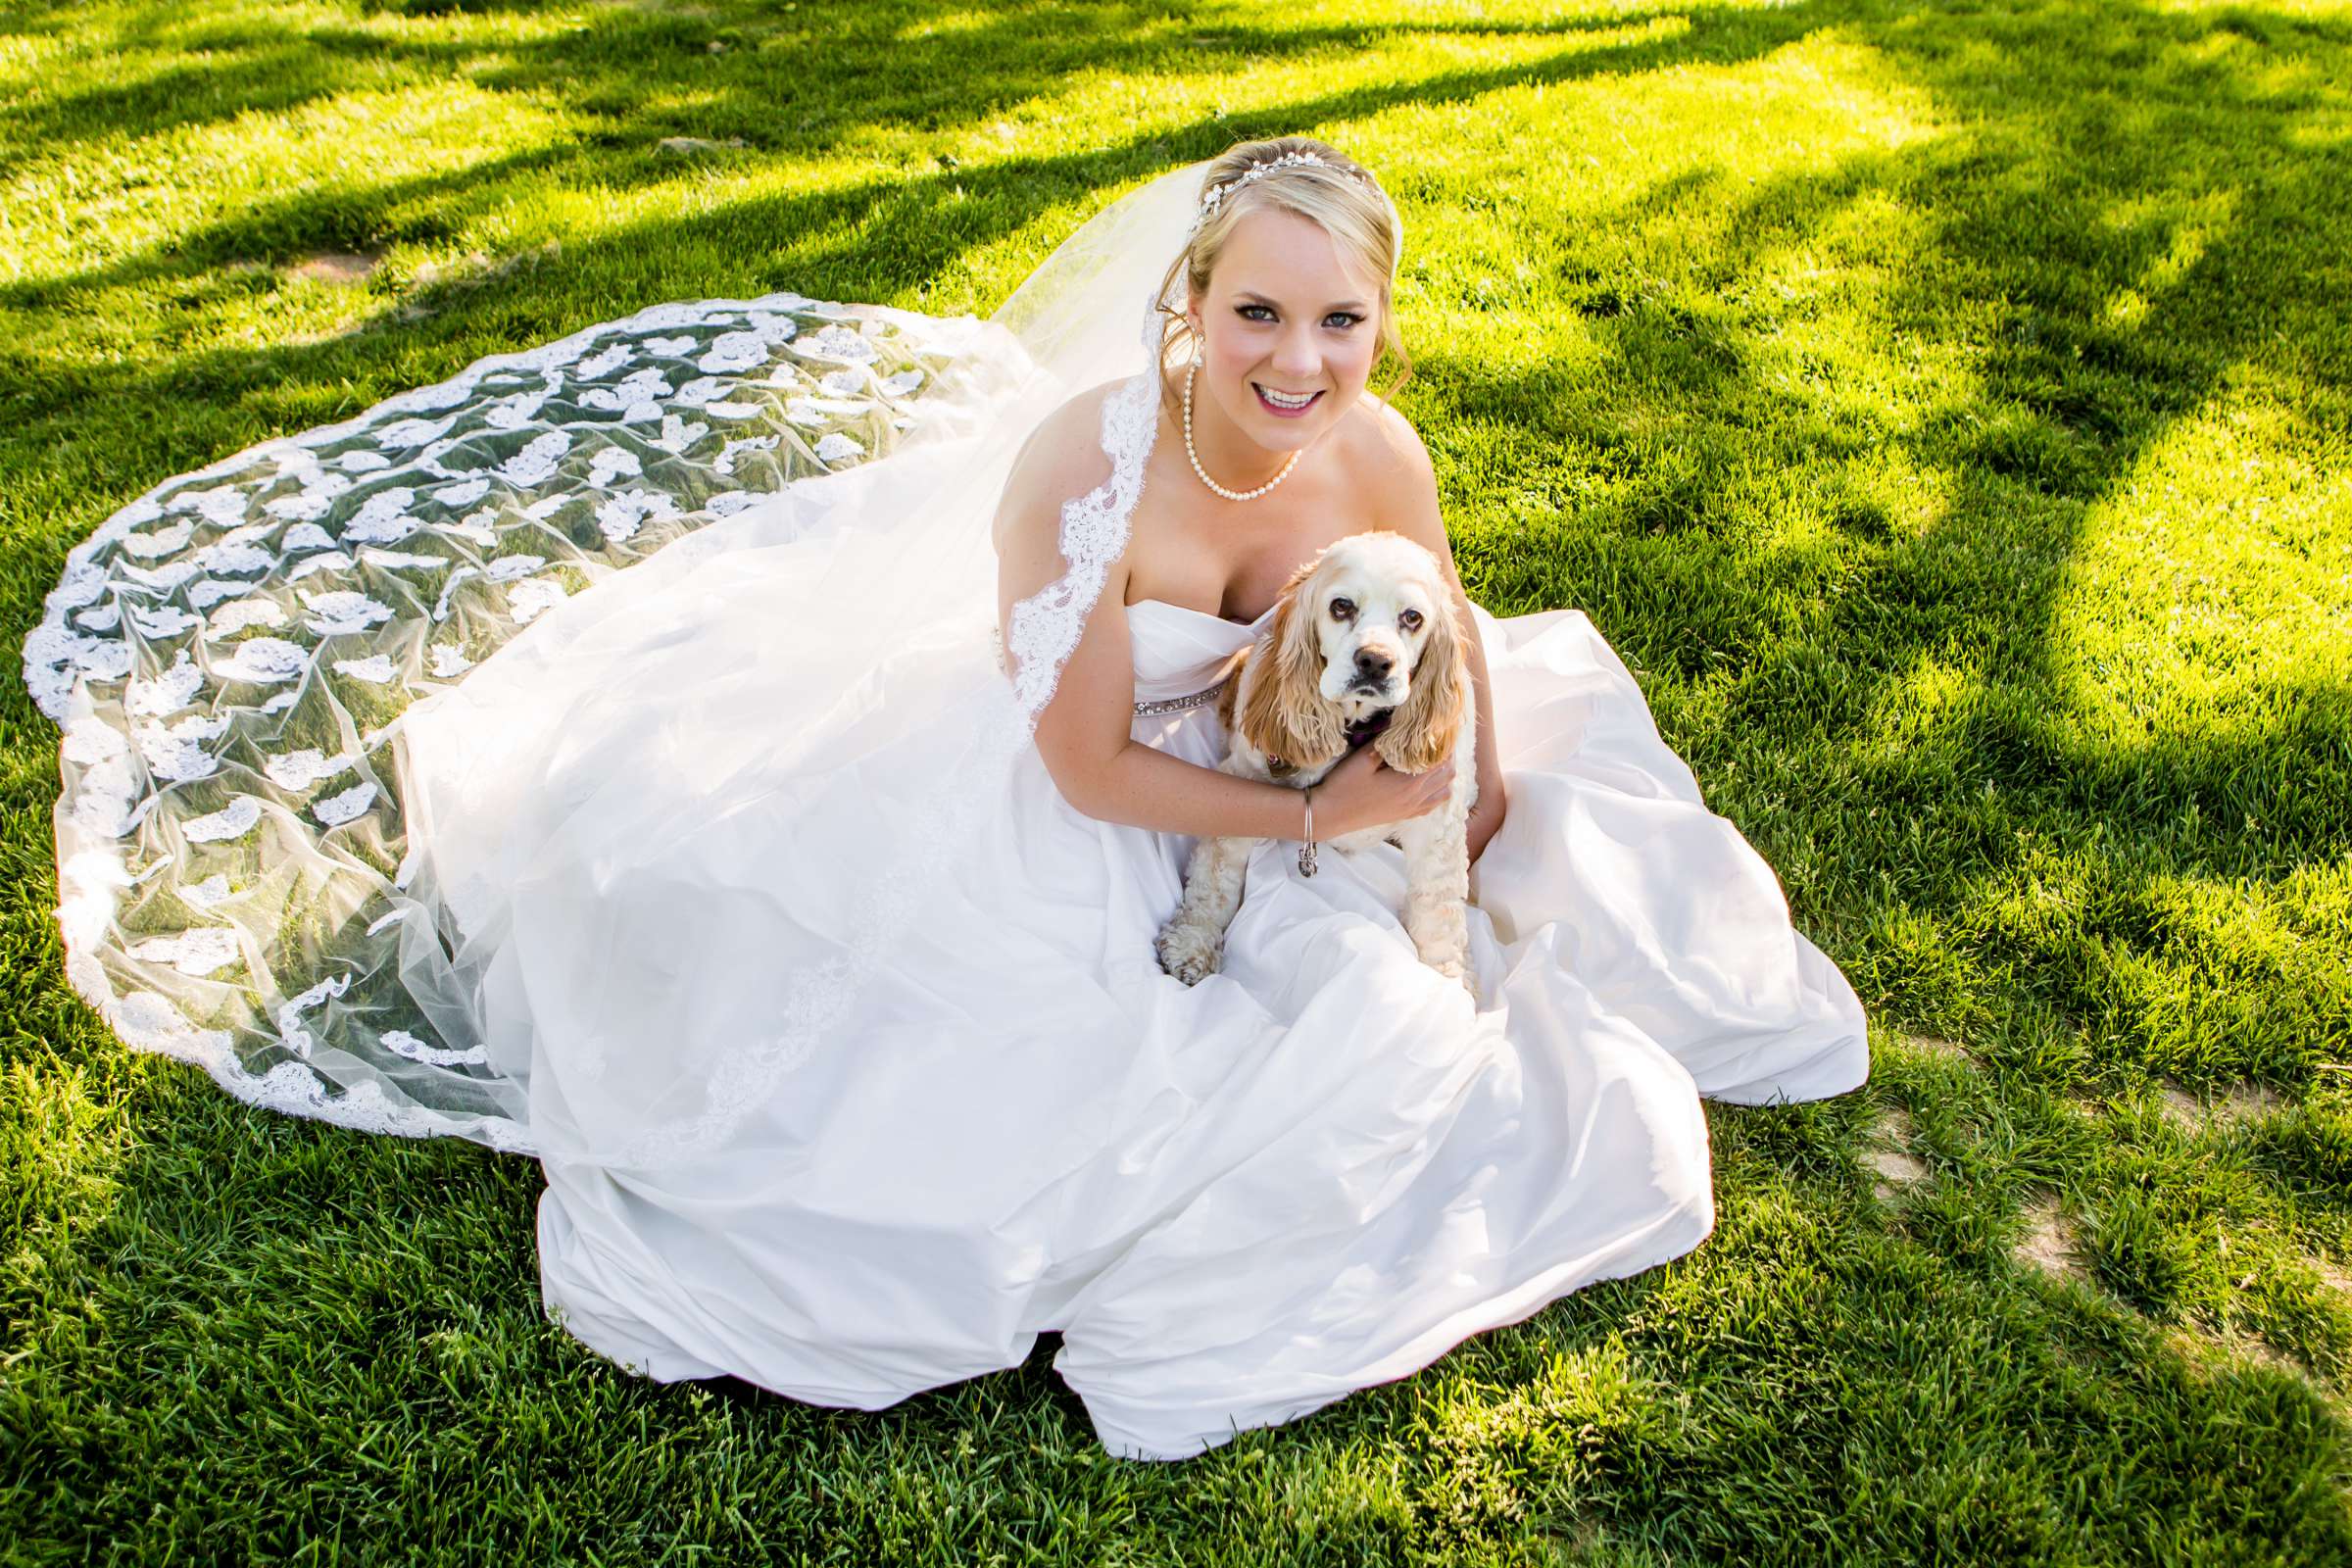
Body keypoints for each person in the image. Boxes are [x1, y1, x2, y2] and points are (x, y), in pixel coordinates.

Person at [24, 136, 1868, 1460]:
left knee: (1575, 888)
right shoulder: (1088, 473)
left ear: (1381, 322)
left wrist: (1463, 774)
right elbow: (1083, 762)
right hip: (1066, 802)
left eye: (1342, 321)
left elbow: (1441, 614)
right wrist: (1316, 834)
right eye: (1257, 317)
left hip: (1307, 743)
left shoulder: (1374, 444)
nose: (1300, 367)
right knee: (956, 1104)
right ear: (1193, 304)